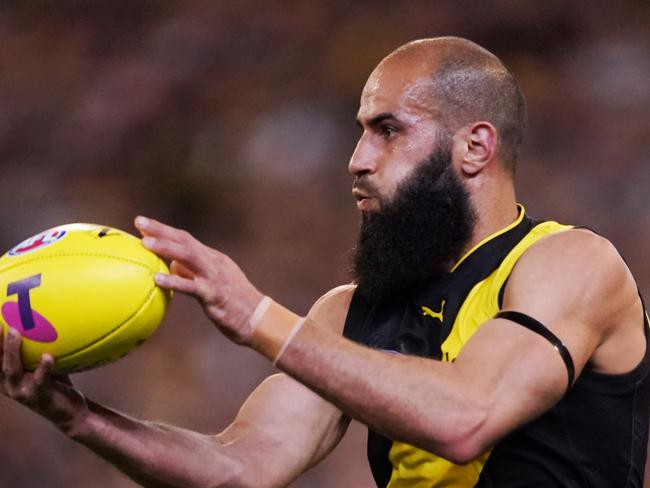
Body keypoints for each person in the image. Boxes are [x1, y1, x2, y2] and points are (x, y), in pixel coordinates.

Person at [1, 36, 648, 487]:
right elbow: (243, 468)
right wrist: (83, 420)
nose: (358, 159)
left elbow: (466, 419)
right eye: (362, 130)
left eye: (387, 129)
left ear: (474, 146)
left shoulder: (570, 262)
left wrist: (255, 315)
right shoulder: (349, 313)